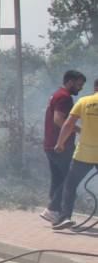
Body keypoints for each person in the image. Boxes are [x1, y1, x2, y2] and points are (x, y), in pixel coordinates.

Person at [52, 80, 98, 229]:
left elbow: (68, 124)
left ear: (95, 87)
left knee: (70, 184)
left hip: (84, 153)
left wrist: (60, 143)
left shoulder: (84, 101)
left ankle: (65, 217)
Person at [41, 70, 85, 222]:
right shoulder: (64, 97)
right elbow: (59, 120)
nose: (80, 89)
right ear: (70, 82)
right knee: (69, 179)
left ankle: (54, 212)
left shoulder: (56, 94)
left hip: (49, 143)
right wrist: (80, 130)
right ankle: (53, 209)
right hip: (61, 145)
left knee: (58, 178)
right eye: (79, 85)